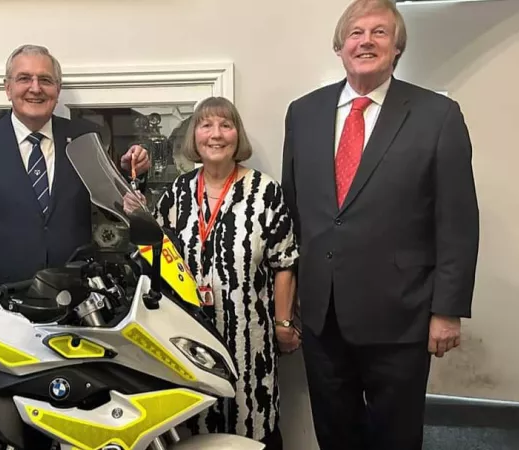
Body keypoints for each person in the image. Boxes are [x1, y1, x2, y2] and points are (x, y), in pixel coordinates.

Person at [281, 0, 480, 449]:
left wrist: (446, 310)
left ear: (397, 50)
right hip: (322, 316)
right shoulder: (303, 113)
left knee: (396, 436)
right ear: (339, 46)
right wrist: (289, 302)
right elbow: (293, 212)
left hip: (401, 316)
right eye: (355, 32)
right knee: (335, 433)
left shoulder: (436, 116)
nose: (365, 41)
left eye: (379, 33)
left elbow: (458, 220)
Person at [128, 96, 299, 450]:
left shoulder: (265, 192)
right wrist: (136, 200)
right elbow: (154, 252)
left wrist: (283, 325)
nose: (216, 134)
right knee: (198, 428)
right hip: (189, 338)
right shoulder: (178, 192)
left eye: (226, 124)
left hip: (249, 342)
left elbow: (284, 264)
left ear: (238, 135)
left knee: (251, 424)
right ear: (195, 136)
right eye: (206, 125)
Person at [0, 45, 149, 301]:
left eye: (45, 80)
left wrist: (131, 173)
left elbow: (113, 206)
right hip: (5, 294)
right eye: (24, 78)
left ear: (57, 90)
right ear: (7, 88)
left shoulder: (86, 138)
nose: (35, 88)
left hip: (77, 295)